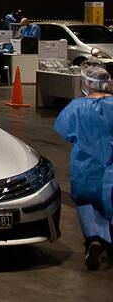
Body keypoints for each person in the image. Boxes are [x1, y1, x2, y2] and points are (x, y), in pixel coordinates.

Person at [54, 64, 113, 270]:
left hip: (85, 168)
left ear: (87, 83)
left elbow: (65, 131)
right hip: (111, 168)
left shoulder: (76, 107)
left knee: (88, 206)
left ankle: (93, 240)